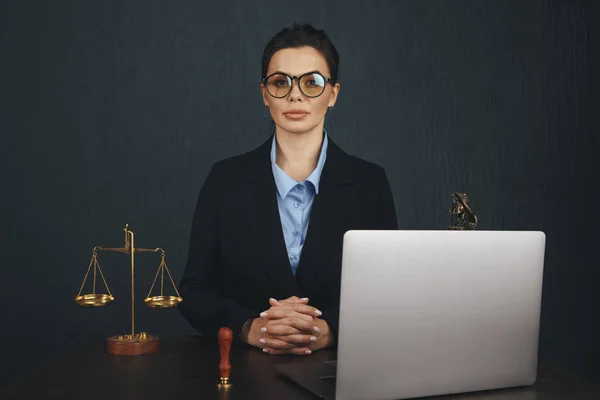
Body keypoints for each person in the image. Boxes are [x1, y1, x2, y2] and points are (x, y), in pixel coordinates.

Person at [178, 23, 397, 356]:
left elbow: (389, 291)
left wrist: (333, 329)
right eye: (281, 82)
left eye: (312, 82)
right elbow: (194, 291)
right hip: (243, 373)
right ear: (265, 94)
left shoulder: (370, 183)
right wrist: (249, 327)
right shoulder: (225, 180)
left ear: (333, 94)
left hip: (341, 372)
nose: (295, 94)